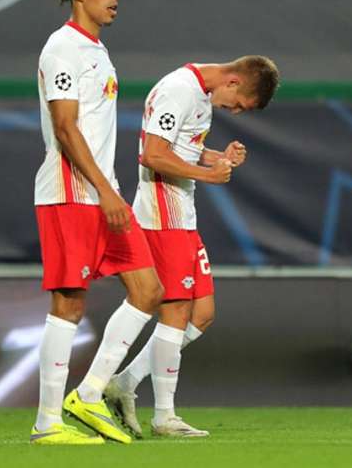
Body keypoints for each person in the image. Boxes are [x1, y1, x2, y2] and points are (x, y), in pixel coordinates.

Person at [104, 57, 280, 438]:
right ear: (233, 81)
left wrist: (217, 157)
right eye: (237, 104)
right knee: (177, 309)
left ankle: (124, 383)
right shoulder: (179, 90)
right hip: (162, 212)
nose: (233, 111)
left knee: (202, 313)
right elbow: (152, 154)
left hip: (183, 213)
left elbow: (180, 149)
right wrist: (209, 175)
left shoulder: (200, 94)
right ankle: (164, 416)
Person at [30, 0, 164, 445]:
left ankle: (87, 395)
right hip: (71, 192)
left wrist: (110, 190)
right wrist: (107, 190)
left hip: (103, 193)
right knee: (69, 301)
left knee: (148, 290)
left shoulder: (98, 52)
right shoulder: (61, 48)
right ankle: (47, 425)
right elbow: (65, 127)